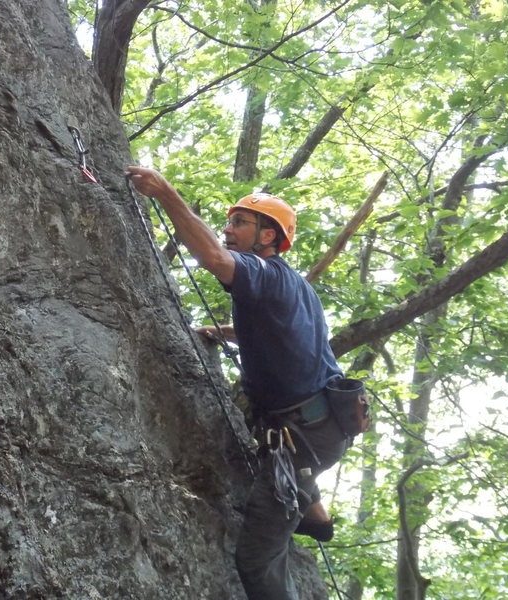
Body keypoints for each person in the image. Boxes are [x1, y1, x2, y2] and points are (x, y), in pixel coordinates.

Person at [127, 165, 350, 600]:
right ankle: (314, 510)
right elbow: (287, 333)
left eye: (239, 223)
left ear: (268, 237)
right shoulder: (296, 286)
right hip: (322, 424)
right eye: (229, 222)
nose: (228, 230)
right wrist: (225, 332)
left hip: (303, 436)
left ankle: (306, 498)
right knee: (287, 456)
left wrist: (165, 193)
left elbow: (213, 259)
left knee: (256, 559)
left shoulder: (264, 274)